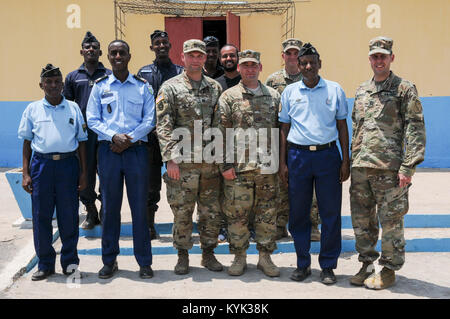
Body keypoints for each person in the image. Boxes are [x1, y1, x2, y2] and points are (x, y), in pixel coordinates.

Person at [349, 36, 426, 290]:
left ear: (391, 58)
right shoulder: (362, 90)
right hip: (361, 168)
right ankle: (367, 264)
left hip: (389, 169)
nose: (379, 60)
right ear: (369, 59)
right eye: (375, 56)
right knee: (362, 220)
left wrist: (408, 166)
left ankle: (390, 268)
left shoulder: (404, 89)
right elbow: (356, 127)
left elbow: (415, 128)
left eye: (383, 56)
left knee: (391, 220)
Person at [279, 43, 350, 285]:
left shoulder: (335, 90)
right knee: (298, 214)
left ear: (320, 64)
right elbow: (284, 128)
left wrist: (345, 160)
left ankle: (328, 266)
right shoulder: (290, 93)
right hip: (298, 157)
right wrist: (283, 163)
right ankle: (302, 264)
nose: (308, 66)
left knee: (330, 213)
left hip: (327, 156)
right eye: (304, 62)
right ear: (298, 66)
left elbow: (342, 126)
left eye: (312, 62)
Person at [86, 40, 155, 279]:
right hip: (109, 153)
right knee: (110, 209)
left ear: (129, 56)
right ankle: (109, 261)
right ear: (109, 56)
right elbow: (92, 119)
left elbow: (150, 120)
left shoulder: (142, 87)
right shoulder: (100, 86)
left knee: (139, 209)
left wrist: (129, 139)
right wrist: (114, 137)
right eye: (113, 53)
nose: (117, 56)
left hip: (136, 152)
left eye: (121, 52)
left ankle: (144, 262)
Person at [156, 39, 223, 275]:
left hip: (209, 164)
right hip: (182, 165)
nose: (195, 59)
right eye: (191, 55)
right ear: (183, 58)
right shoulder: (170, 87)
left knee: (210, 212)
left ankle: (208, 253)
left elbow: (220, 125)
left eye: (199, 55)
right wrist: (170, 159)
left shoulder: (215, 88)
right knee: (182, 212)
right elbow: (163, 124)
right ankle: (182, 255)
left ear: (205, 58)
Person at [18, 64, 88, 281]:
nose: (53, 85)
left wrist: (84, 173)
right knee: (41, 216)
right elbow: (27, 144)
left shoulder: (73, 108)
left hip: (68, 165)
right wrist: (26, 173)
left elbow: (82, 143)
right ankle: (45, 264)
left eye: (57, 81)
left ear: (62, 84)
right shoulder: (32, 109)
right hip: (42, 166)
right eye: (48, 82)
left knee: (69, 216)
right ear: (41, 85)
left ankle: (70, 263)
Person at [216, 50, 281, 277]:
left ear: (260, 68)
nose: (250, 69)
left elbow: (281, 132)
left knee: (267, 214)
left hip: (267, 168)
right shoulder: (228, 96)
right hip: (239, 168)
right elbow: (221, 133)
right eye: (245, 66)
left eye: (254, 65)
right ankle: (239, 257)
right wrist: (225, 165)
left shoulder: (274, 96)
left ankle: (265, 257)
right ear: (240, 69)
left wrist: (281, 164)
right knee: (237, 216)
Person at [265, 38, 321, 242]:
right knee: (281, 183)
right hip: (282, 139)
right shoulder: (273, 81)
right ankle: (280, 224)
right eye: (288, 53)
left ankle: (313, 225)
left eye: (295, 53)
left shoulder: (310, 77)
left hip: (305, 140)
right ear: (283, 56)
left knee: (310, 187)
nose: (291, 56)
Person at [137, 30, 183, 240]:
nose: (162, 46)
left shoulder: (180, 72)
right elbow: (141, 105)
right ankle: (149, 225)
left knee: (181, 183)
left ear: (170, 45)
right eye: (157, 43)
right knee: (151, 185)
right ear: (152, 47)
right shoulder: (143, 73)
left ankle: (182, 226)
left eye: (165, 42)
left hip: (176, 138)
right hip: (150, 140)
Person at [64, 31, 111, 230]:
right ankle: (91, 211)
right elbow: (67, 106)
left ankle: (106, 210)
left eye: (94, 47)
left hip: (106, 134)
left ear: (100, 52)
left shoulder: (109, 75)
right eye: (87, 47)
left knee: (108, 174)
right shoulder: (73, 77)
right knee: (85, 173)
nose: (91, 49)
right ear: (81, 51)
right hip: (83, 136)